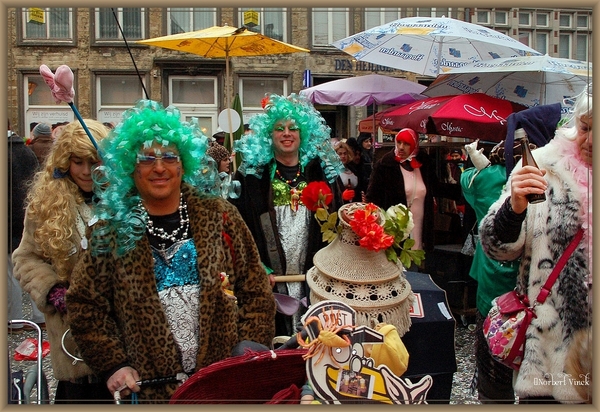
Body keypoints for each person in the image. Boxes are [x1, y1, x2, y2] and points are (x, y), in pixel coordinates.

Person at [65, 99, 276, 403]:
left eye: (168, 156)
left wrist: (248, 346)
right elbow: (86, 305)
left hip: (222, 388)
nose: (159, 167)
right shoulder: (112, 230)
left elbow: (255, 289)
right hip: (150, 393)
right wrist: (114, 364)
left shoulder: (220, 215)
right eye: (147, 158)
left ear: (183, 163)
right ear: (130, 166)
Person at [479, 83, 592, 403]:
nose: (592, 140)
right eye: (586, 128)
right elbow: (496, 247)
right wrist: (513, 208)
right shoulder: (542, 165)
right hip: (548, 362)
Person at [12, 119, 113, 402]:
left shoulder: (124, 200)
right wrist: (53, 291)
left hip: (122, 337)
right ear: (64, 160)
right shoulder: (46, 202)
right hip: (74, 345)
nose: (85, 171)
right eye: (77, 161)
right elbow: (26, 257)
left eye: (93, 162)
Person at [230, 92, 344, 337]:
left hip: (313, 277)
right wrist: (259, 267)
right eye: (279, 128)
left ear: (303, 133)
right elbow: (237, 226)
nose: (286, 134)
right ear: (269, 135)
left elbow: (336, 223)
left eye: (293, 128)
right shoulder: (252, 176)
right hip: (268, 280)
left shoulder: (319, 171)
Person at [365, 128, 461, 253]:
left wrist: (468, 187)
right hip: (395, 229)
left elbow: (437, 188)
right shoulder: (385, 166)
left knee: (418, 259)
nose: (401, 147)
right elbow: (373, 198)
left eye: (406, 144)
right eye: (399, 142)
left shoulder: (424, 164)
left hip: (421, 226)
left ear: (414, 145)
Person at [8, 119, 45, 333]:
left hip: (12, 216)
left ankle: (15, 320)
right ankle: (39, 315)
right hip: (26, 212)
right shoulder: (26, 151)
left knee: (10, 271)